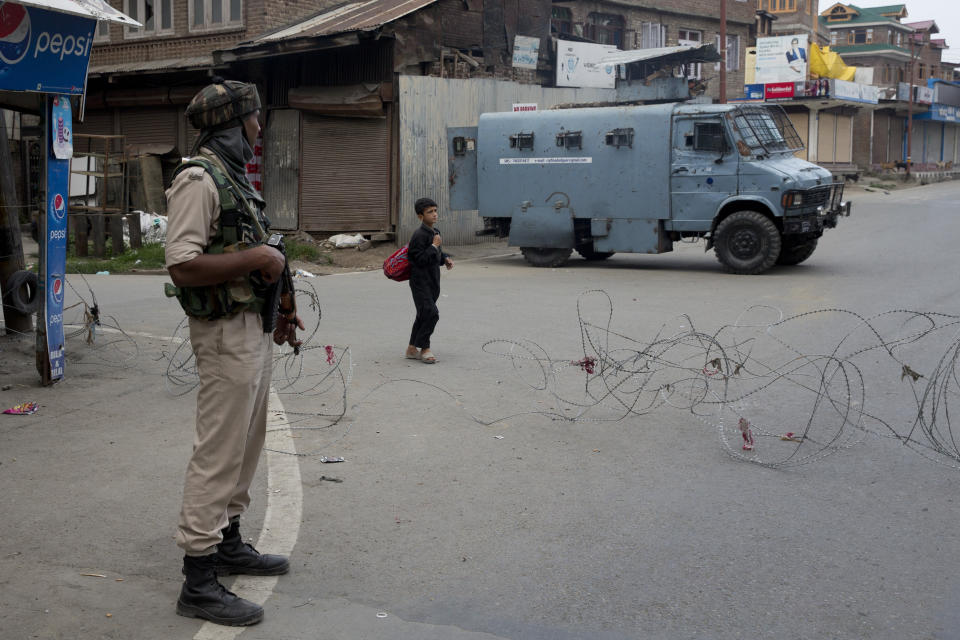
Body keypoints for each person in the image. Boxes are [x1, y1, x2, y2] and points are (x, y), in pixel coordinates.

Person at [164, 77, 304, 627]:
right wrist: (258, 260)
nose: (258, 128)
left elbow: (257, 247)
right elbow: (182, 262)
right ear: (229, 124)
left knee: (248, 444)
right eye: (253, 119)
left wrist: (282, 303)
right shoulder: (199, 178)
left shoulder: (233, 178)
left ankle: (229, 542)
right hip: (223, 335)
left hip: (250, 326)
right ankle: (198, 580)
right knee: (219, 452)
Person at [405, 197, 453, 364]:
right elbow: (417, 260)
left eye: (435, 210)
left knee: (423, 314)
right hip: (420, 282)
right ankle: (424, 348)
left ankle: (411, 348)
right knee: (432, 314)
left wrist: (445, 258)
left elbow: (436, 257)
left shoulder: (435, 232)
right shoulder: (418, 235)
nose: (434, 214)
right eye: (429, 212)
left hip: (433, 282)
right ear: (420, 216)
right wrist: (433, 246)